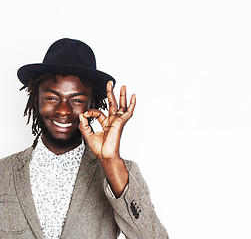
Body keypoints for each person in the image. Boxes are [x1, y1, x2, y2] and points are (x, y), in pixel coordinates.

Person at [0, 38, 168, 239]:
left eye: (77, 100)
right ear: (36, 99)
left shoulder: (121, 172)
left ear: (93, 105)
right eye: (52, 98)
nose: (63, 110)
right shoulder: (3, 173)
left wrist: (110, 161)